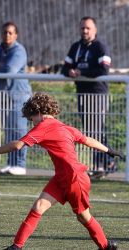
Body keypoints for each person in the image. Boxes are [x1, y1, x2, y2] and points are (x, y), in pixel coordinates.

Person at [0, 93, 121, 250]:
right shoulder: (66, 127)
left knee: (83, 216)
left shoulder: (42, 127)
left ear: (37, 113)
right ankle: (16, 247)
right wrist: (109, 150)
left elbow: (17, 145)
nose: (32, 124)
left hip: (75, 178)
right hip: (61, 178)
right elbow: (88, 140)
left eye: (32, 119)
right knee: (38, 207)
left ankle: (106, 246)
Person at [61, 16, 114, 177]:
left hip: (97, 94)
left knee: (96, 131)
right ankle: (108, 164)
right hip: (82, 94)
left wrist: (81, 72)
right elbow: (64, 68)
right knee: (90, 131)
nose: (85, 31)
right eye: (82, 28)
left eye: (88, 28)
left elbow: (103, 70)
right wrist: (70, 72)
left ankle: (101, 166)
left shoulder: (100, 47)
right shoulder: (76, 46)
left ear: (95, 30)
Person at [0, 22, 32, 175]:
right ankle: (11, 163)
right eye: (4, 32)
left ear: (16, 35)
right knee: (9, 132)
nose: (7, 35)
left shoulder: (19, 50)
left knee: (19, 131)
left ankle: (20, 164)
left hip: (18, 96)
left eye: (10, 33)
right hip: (2, 97)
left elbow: (11, 69)